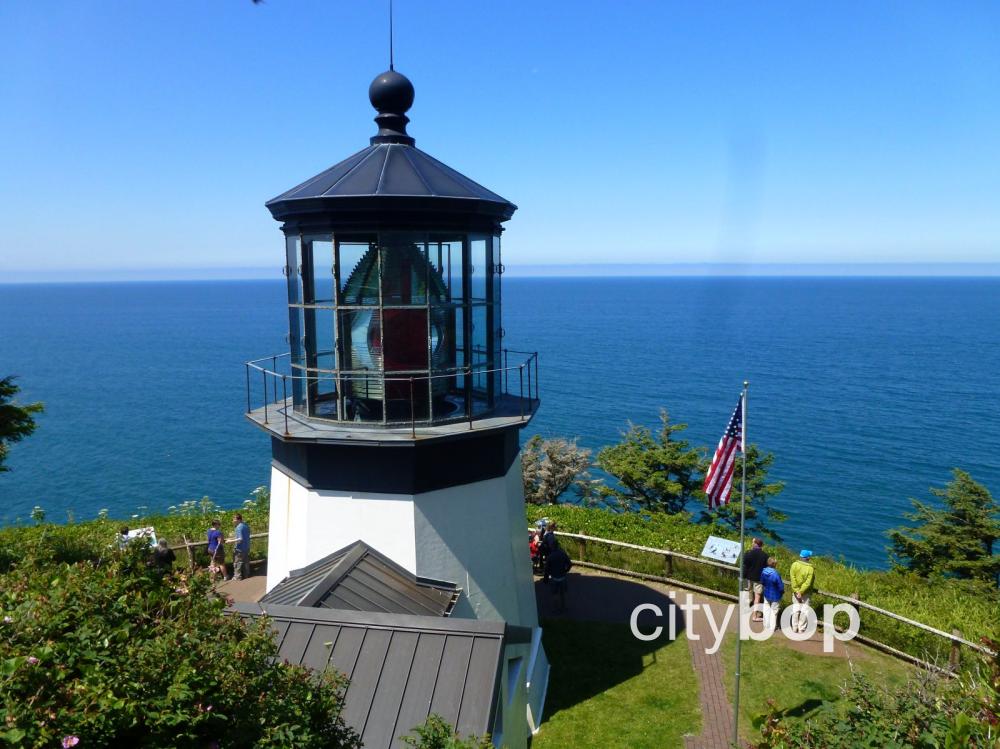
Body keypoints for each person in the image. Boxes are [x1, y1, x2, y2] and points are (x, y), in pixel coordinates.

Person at [789, 549, 816, 633]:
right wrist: (801, 592)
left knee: (795, 609)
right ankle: (801, 628)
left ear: (800, 556)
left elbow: (792, 579)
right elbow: (808, 583)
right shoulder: (810, 569)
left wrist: (797, 590)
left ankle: (794, 627)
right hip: (806, 593)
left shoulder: (794, 565)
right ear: (807, 558)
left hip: (795, 592)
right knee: (804, 610)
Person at [742, 537, 768, 622]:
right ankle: (755, 616)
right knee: (757, 597)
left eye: (753, 542)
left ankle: (745, 610)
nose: (752, 543)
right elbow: (766, 568)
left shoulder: (748, 553)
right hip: (759, 579)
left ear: (755, 544)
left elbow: (745, 563)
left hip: (749, 577)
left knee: (747, 593)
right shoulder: (765, 556)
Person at [545, 541, 573, 613]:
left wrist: (546, 578)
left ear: (552, 547)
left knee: (555, 594)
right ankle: (563, 607)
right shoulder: (563, 554)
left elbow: (547, 569)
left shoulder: (550, 556)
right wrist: (566, 571)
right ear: (558, 546)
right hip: (562, 577)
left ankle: (556, 609)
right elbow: (570, 564)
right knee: (562, 594)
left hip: (554, 577)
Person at [760, 557, 784, 626]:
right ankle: (772, 626)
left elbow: (762, 582)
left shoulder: (763, 572)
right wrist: (782, 592)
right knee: (774, 611)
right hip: (775, 596)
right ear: (774, 564)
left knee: (766, 609)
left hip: (766, 593)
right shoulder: (776, 574)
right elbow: (780, 587)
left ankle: (766, 624)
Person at [232, 513, 251, 581]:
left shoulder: (238, 528)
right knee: (246, 562)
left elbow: (240, 539)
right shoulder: (245, 525)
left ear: (238, 520)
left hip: (240, 548)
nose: (233, 521)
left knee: (237, 563)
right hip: (247, 546)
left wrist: (230, 541)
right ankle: (246, 574)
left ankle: (237, 577)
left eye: (234, 519)